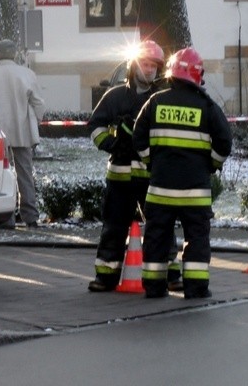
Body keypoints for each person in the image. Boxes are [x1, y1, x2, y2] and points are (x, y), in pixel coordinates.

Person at [133, 47, 232, 299]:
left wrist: (151, 163)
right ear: (197, 75)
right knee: (196, 239)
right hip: (195, 192)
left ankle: (154, 288)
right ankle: (196, 288)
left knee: (157, 238)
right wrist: (211, 165)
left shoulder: (155, 102)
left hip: (160, 189)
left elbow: (139, 138)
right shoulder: (207, 106)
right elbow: (224, 143)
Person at [86, 41, 181, 293]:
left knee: (161, 226)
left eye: (153, 65)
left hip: (152, 176)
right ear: (134, 65)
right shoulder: (115, 96)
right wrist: (112, 144)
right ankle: (105, 277)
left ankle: (171, 275)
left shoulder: (163, 99)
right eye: (144, 63)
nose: (149, 69)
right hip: (119, 175)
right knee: (114, 227)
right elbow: (95, 126)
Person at [0, 39, 45, 228]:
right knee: (25, 173)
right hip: (22, 130)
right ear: (14, 54)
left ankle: (6, 218)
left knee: (2, 174)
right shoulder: (27, 74)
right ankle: (30, 215)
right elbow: (39, 104)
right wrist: (34, 122)